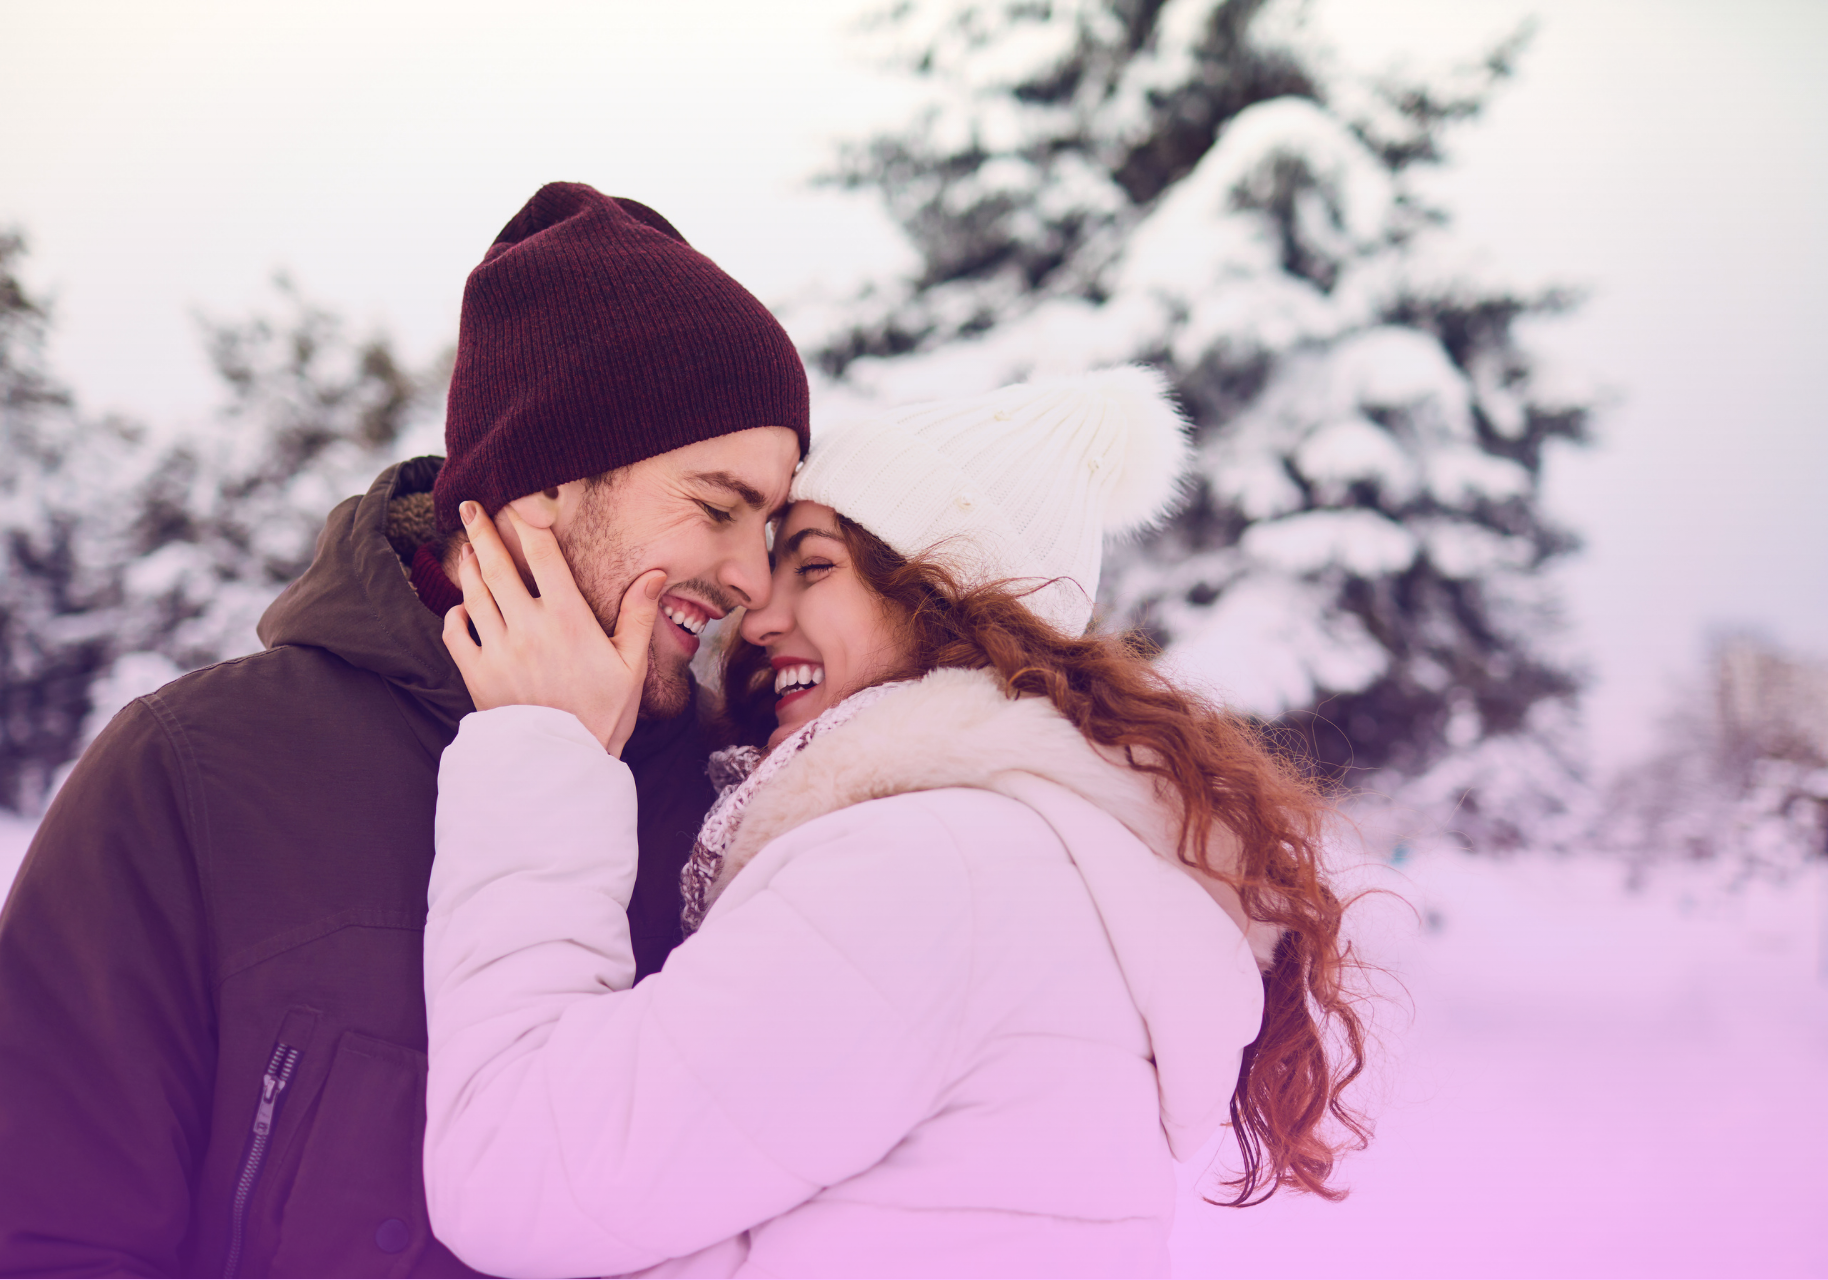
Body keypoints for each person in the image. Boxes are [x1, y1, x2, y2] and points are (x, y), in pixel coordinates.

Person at [0, 183, 807, 1278]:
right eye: (717, 507)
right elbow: (32, 1244)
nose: (752, 578)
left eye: (769, 522)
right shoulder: (194, 774)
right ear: (543, 484)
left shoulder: (741, 809)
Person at [421, 365, 1370, 1278]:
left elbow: (519, 1179)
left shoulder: (931, 870)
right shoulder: (1035, 859)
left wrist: (540, 749)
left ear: (951, 604)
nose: (754, 616)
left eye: (815, 567)